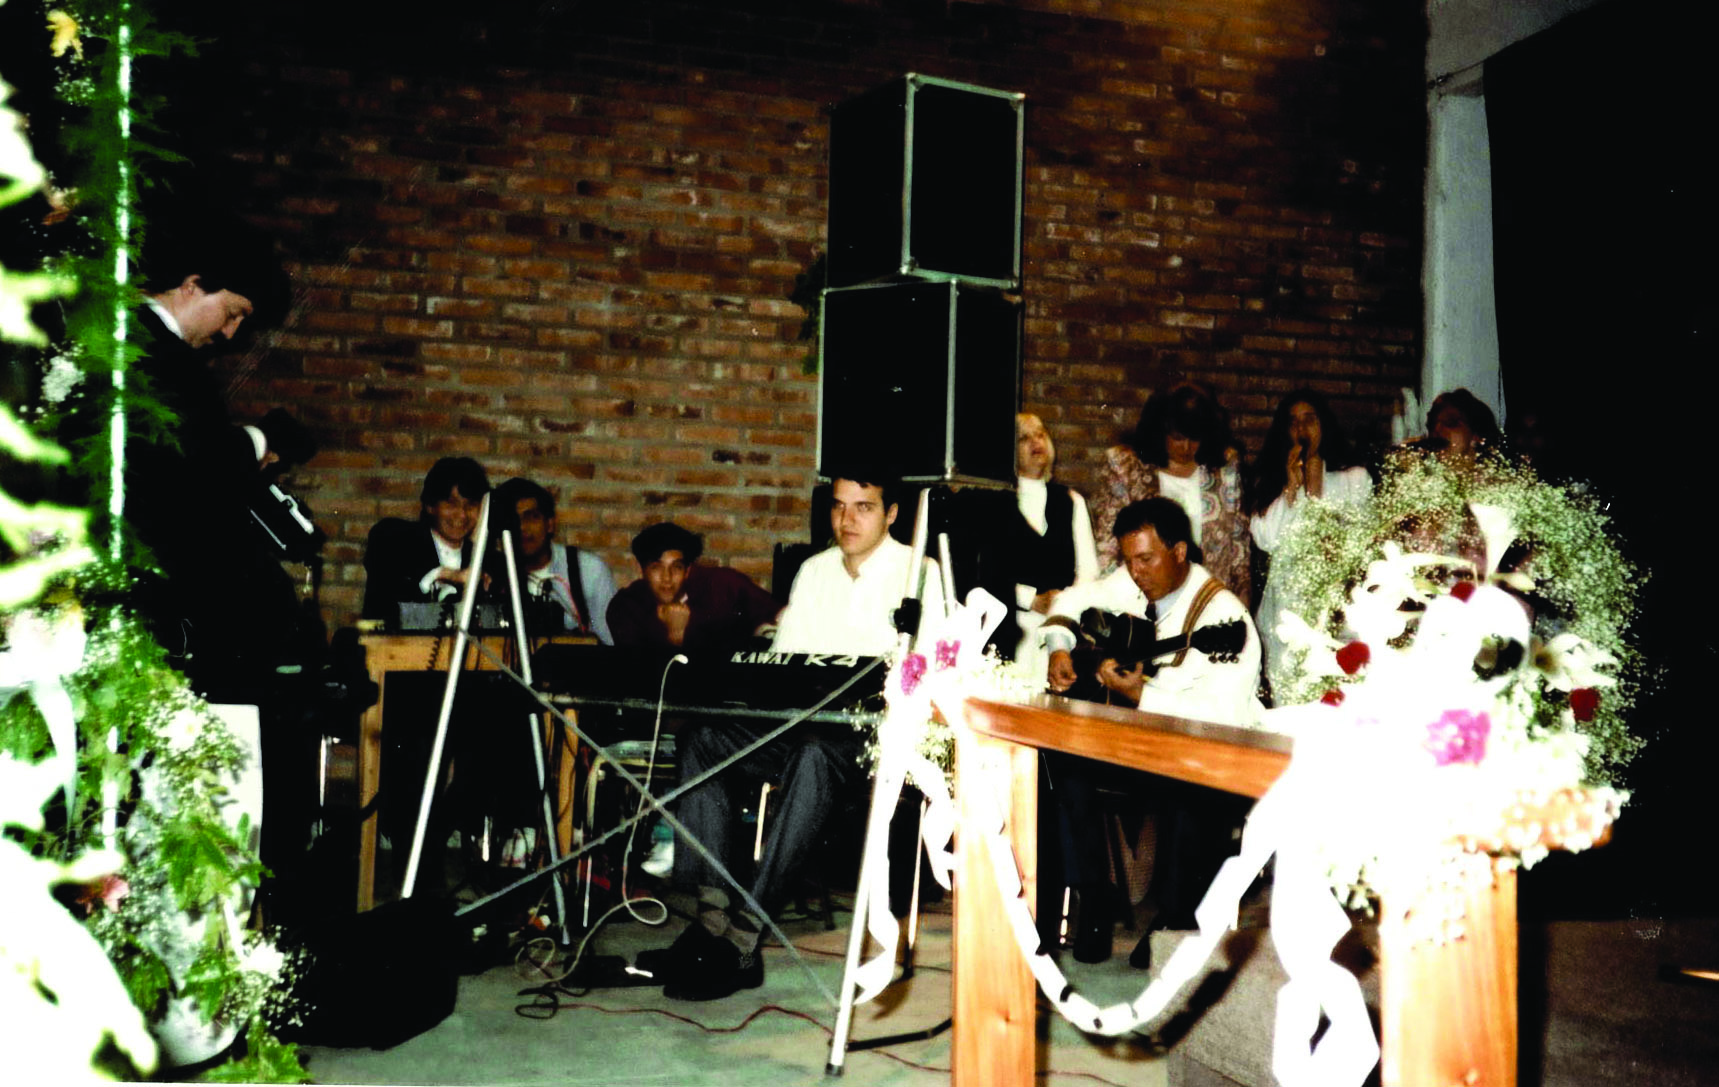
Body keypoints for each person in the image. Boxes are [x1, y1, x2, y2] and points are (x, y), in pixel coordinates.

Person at [645, 469, 944, 1001]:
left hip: (870, 743)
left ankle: (744, 936)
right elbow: (787, 664)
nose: (847, 520)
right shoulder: (813, 570)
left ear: (892, 513)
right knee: (702, 740)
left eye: (864, 507)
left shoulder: (918, 573)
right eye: (838, 506)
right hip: (801, 727)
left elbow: (929, 676)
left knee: (812, 754)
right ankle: (711, 921)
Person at [1039, 498, 1261, 966]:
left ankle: (1175, 921)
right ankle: (1095, 898)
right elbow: (1077, 598)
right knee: (1061, 761)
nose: (1136, 573)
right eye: (1128, 560)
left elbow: (1224, 718)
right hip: (1141, 751)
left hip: (1203, 761)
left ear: (1180, 551)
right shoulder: (1137, 578)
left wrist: (1144, 697)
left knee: (1194, 791)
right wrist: (1060, 647)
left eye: (1146, 559)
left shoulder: (1225, 617)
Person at [1246, 391, 1372, 683]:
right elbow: (1266, 540)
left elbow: (1362, 537)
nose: (1302, 430)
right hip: (1287, 610)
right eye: (1293, 423)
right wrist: (1291, 488)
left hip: (1339, 604)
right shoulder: (1272, 483)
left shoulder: (1354, 479)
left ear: (1323, 425)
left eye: (1309, 420)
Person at [1089, 383, 1251, 607]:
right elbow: (1108, 547)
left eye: (1195, 438)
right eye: (1177, 437)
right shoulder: (1125, 468)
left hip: (1209, 599)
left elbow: (1239, 547)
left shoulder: (1225, 467)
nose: (1186, 447)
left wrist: (1241, 598)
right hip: (1143, 601)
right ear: (1160, 430)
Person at [1011, 413, 1099, 676]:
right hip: (1013, 629)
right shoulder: (996, 499)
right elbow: (984, 572)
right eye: (1023, 438)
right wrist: (1031, 599)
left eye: (1040, 434)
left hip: (1061, 628)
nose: (1035, 442)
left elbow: (1088, 572)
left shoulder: (1071, 500)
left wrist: (1064, 606)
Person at [606, 521, 781, 654]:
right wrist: (676, 636)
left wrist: (765, 630)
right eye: (656, 567)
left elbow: (781, 616)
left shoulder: (723, 585)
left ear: (688, 571)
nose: (667, 578)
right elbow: (641, 676)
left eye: (676, 567)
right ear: (640, 570)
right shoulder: (625, 608)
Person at [361, 457, 491, 624]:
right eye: (451, 504)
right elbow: (387, 607)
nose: (462, 514)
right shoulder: (393, 539)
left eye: (471, 505)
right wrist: (442, 574)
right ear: (430, 505)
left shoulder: (489, 560)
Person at [489, 477, 617, 644]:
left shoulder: (589, 571)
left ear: (550, 524)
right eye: (513, 520)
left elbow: (610, 645)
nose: (522, 527)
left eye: (531, 517)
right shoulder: (491, 574)